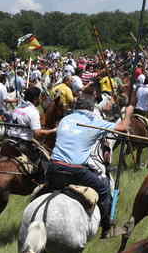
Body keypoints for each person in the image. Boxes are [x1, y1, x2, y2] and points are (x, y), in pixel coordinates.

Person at [47, 97, 132, 238]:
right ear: (91, 109)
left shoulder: (65, 120)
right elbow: (123, 128)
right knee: (104, 190)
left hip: (53, 168)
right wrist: (128, 112)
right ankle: (107, 229)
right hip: (75, 170)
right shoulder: (94, 123)